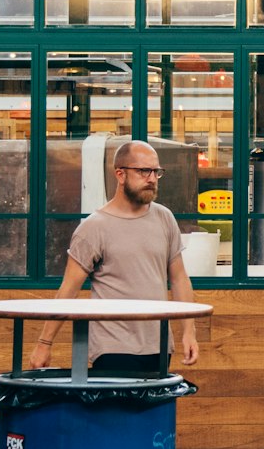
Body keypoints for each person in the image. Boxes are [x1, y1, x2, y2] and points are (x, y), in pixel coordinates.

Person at [30, 141, 200, 374]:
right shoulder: (94, 228)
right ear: (120, 174)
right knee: (117, 411)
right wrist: (44, 343)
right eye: (143, 171)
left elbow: (180, 279)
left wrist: (189, 332)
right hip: (113, 348)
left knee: (154, 411)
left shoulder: (164, 218)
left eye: (156, 172)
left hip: (158, 346)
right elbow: (68, 290)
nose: (151, 178)